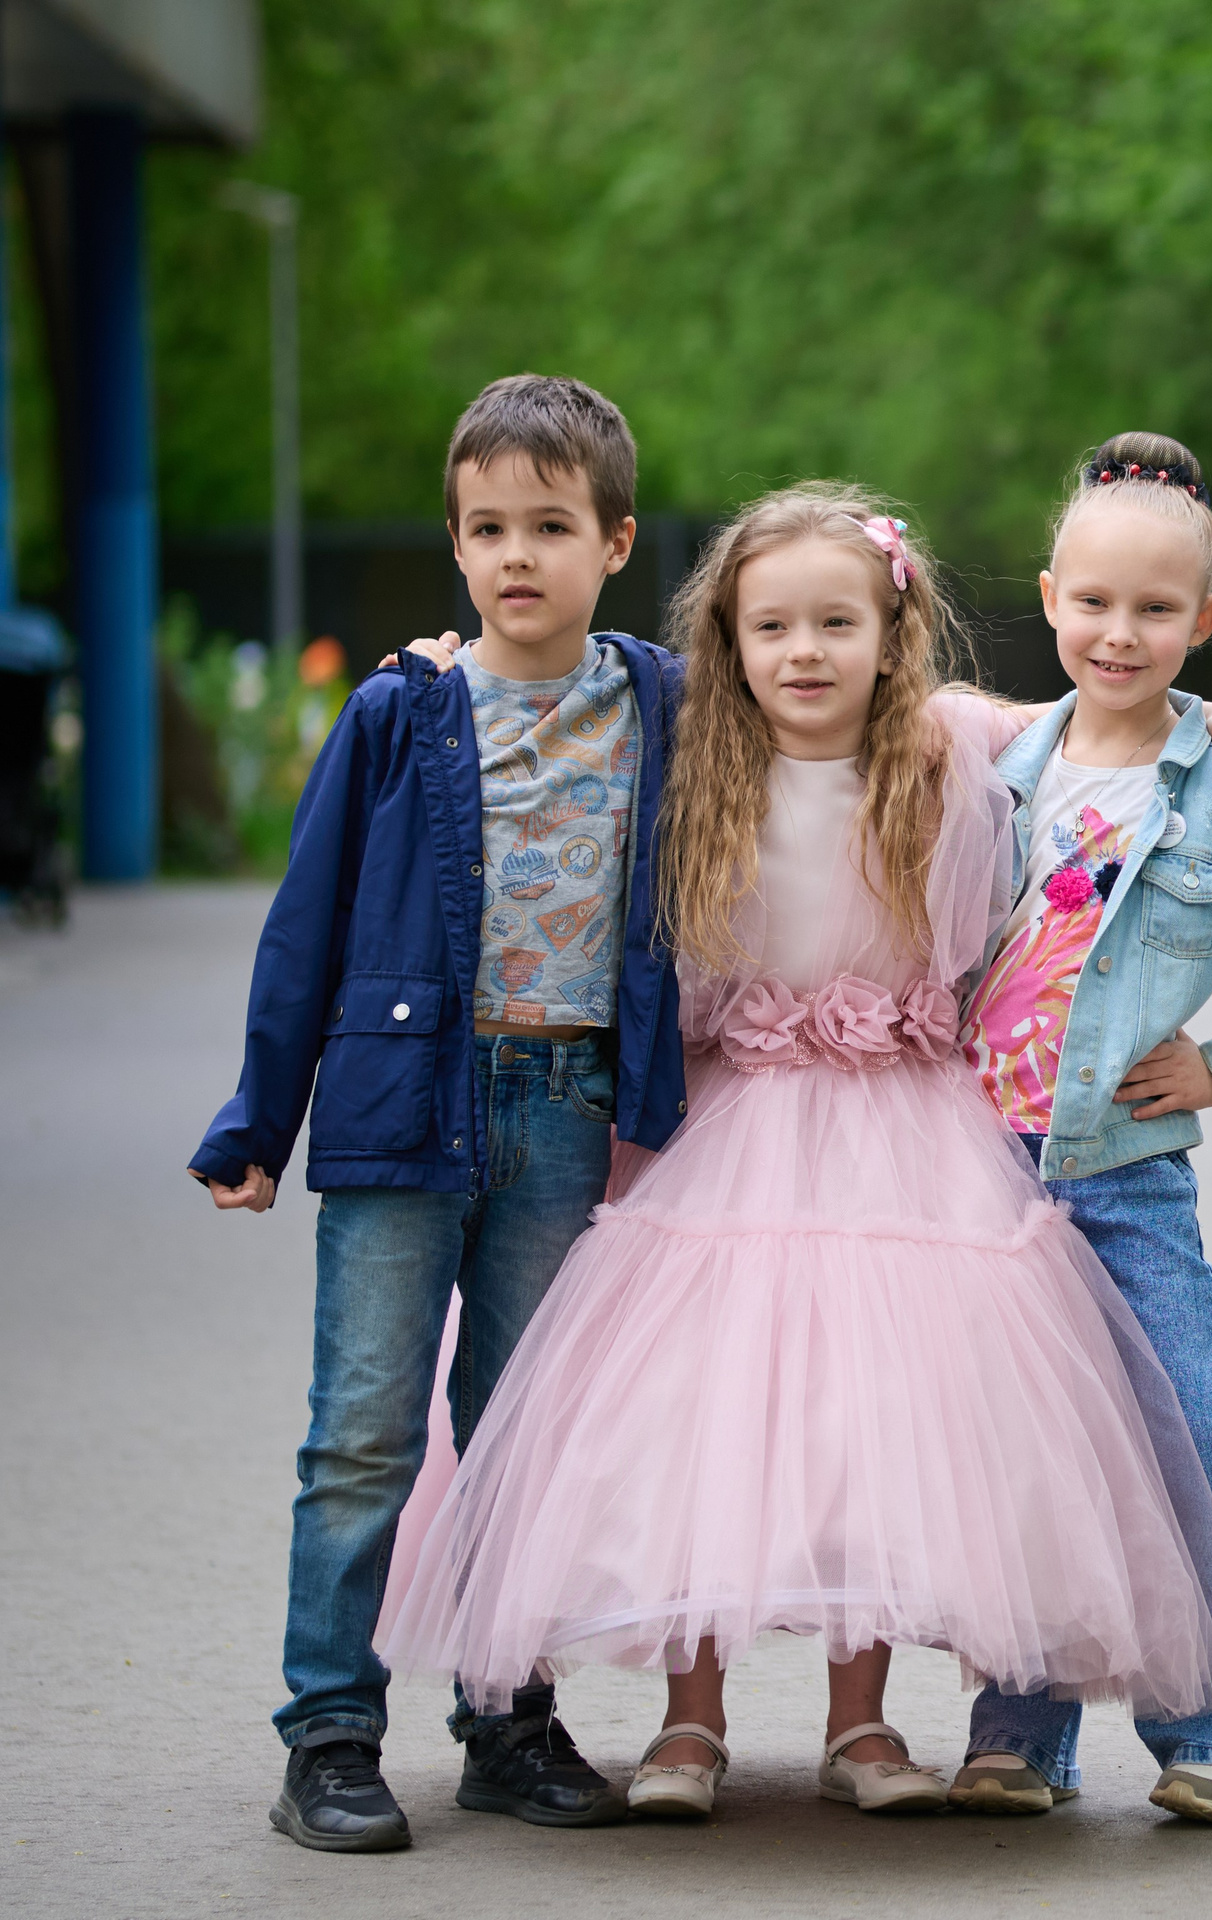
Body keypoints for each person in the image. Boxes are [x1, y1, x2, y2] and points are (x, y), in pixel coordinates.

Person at [374, 482, 1212, 1824]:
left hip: (905, 1130)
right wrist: (441, 665)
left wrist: (1200, 716)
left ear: (889, 632)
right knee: (704, 1415)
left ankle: (864, 1722)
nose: (803, 652)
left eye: (836, 623)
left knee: (882, 1421)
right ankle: (690, 1718)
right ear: (726, 640)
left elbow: (1091, 722)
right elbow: (553, 699)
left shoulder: (947, 744)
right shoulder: (689, 756)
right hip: (735, 1126)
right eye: (770, 625)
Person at [190, 374, 681, 1851]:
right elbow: (309, 921)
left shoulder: (661, 698)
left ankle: (506, 1718)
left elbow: (837, 691)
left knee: (519, 1430)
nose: (515, 553)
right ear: (456, 548)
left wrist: (1189, 722)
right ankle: (330, 1732)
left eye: (549, 524)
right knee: (363, 1436)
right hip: (410, 1106)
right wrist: (258, 1122)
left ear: (615, 541)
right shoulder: (403, 709)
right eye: (486, 527)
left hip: (566, 1105)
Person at [948, 434, 1212, 1827]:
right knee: (1022, 1451)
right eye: (1093, 604)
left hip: (1125, 1178)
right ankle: (1019, 1728)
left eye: (1153, 611)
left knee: (1195, 1435)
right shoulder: (998, 766)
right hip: (980, 1176)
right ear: (1052, 597)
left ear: (1202, 622)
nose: (1118, 634)